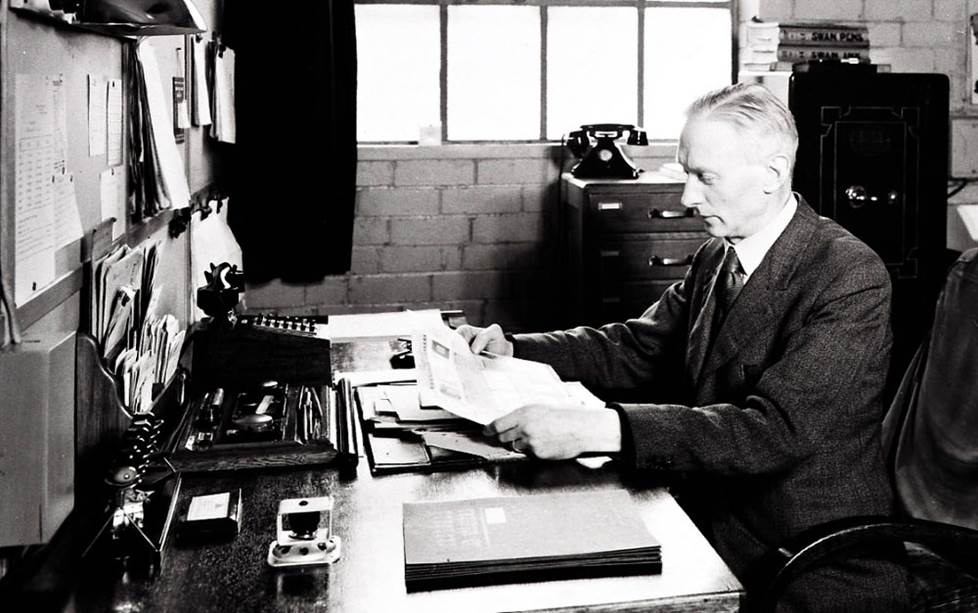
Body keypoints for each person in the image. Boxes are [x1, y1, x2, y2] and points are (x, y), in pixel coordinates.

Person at [457, 82, 908, 612]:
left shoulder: (847, 275)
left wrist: (601, 429)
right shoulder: (718, 256)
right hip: (709, 512)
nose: (687, 197)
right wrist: (512, 348)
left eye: (704, 178)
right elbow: (637, 346)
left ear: (772, 174)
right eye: (686, 173)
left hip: (807, 557)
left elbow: (769, 433)